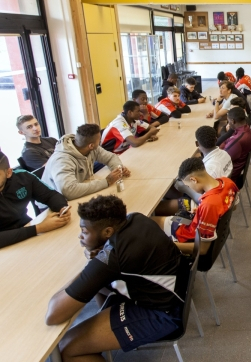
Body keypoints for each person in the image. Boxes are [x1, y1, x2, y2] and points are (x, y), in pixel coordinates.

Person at [45, 195, 184, 360]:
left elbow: (53, 315)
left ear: (108, 232)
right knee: (99, 287)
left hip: (165, 314)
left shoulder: (112, 257)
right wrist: (100, 258)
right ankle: (102, 334)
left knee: (66, 348)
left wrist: (93, 269)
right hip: (175, 291)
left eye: (84, 231)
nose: (80, 236)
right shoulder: (135, 218)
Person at [153, 158, 238, 255]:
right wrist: (202, 212)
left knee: (151, 221)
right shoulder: (227, 182)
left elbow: (202, 249)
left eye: (188, 186)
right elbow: (232, 207)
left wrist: (168, 245)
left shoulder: (209, 205)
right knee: (158, 220)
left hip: (185, 236)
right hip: (194, 222)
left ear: (193, 180)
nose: (189, 188)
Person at [0, 151, 70, 249]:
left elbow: (51, 195)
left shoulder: (22, 177)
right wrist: (39, 228)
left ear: (8, 173)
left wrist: (62, 208)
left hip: (28, 232)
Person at [42, 124, 130, 200]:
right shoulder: (62, 160)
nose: (100, 142)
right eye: (99, 140)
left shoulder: (89, 147)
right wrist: (106, 182)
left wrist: (118, 169)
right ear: (91, 145)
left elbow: (110, 157)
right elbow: (68, 191)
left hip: (79, 190)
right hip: (52, 203)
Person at [220, 107, 251, 184]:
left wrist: (224, 142)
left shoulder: (238, 140)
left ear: (233, 121)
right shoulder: (246, 129)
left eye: (228, 121)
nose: (228, 123)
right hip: (235, 167)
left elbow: (221, 157)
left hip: (229, 175)